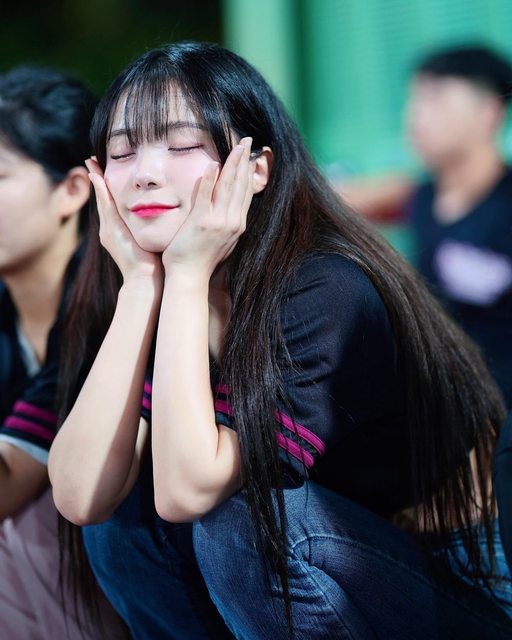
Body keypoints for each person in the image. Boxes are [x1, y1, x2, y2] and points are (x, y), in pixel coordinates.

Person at [49, 42, 512, 639]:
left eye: (182, 145)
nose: (145, 172)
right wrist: (141, 285)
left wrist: (184, 275)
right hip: (336, 553)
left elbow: (189, 492)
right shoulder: (171, 289)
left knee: (243, 518)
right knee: (120, 517)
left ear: (256, 169)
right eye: (122, 151)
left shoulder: (325, 288)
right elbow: (81, 495)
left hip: (456, 578)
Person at [0, 66, 127, 639]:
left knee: (33, 524)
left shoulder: (113, 304)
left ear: (73, 190)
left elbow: (9, 485)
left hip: (135, 569)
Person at [406, 44, 512, 408]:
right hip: (440, 404)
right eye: (415, 100)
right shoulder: (422, 196)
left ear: (489, 113)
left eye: (435, 99)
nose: (417, 116)